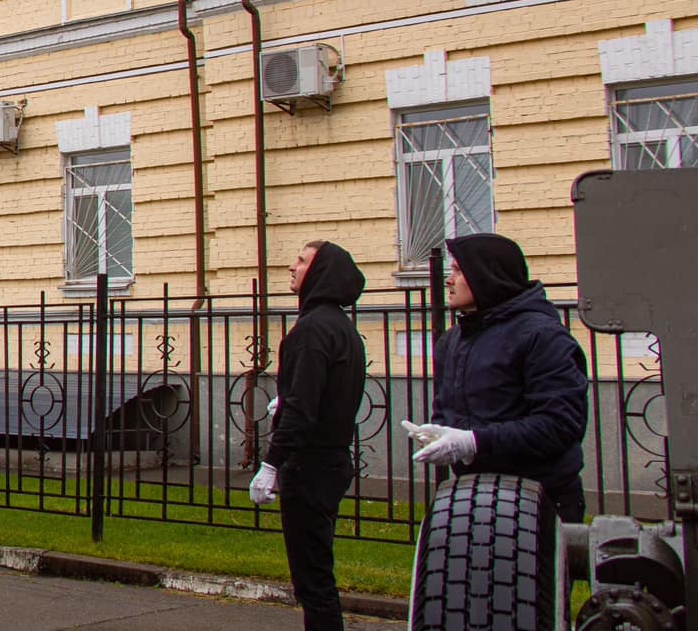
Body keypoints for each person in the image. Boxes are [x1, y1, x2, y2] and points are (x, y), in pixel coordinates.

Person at [404, 232, 589, 521]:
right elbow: (447, 411)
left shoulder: (542, 336)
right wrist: (438, 434)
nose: (448, 281)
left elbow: (560, 425)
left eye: (458, 270)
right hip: (471, 496)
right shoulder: (452, 340)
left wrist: (473, 442)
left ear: (487, 275)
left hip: (539, 499)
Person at [251, 240, 367, 631]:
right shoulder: (341, 328)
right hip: (330, 461)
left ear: (319, 272)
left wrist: (271, 464)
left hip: (311, 466)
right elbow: (318, 395)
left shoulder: (312, 330)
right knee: (317, 571)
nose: (292, 267)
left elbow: (303, 410)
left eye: (302, 261)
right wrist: (285, 403)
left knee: (313, 579)